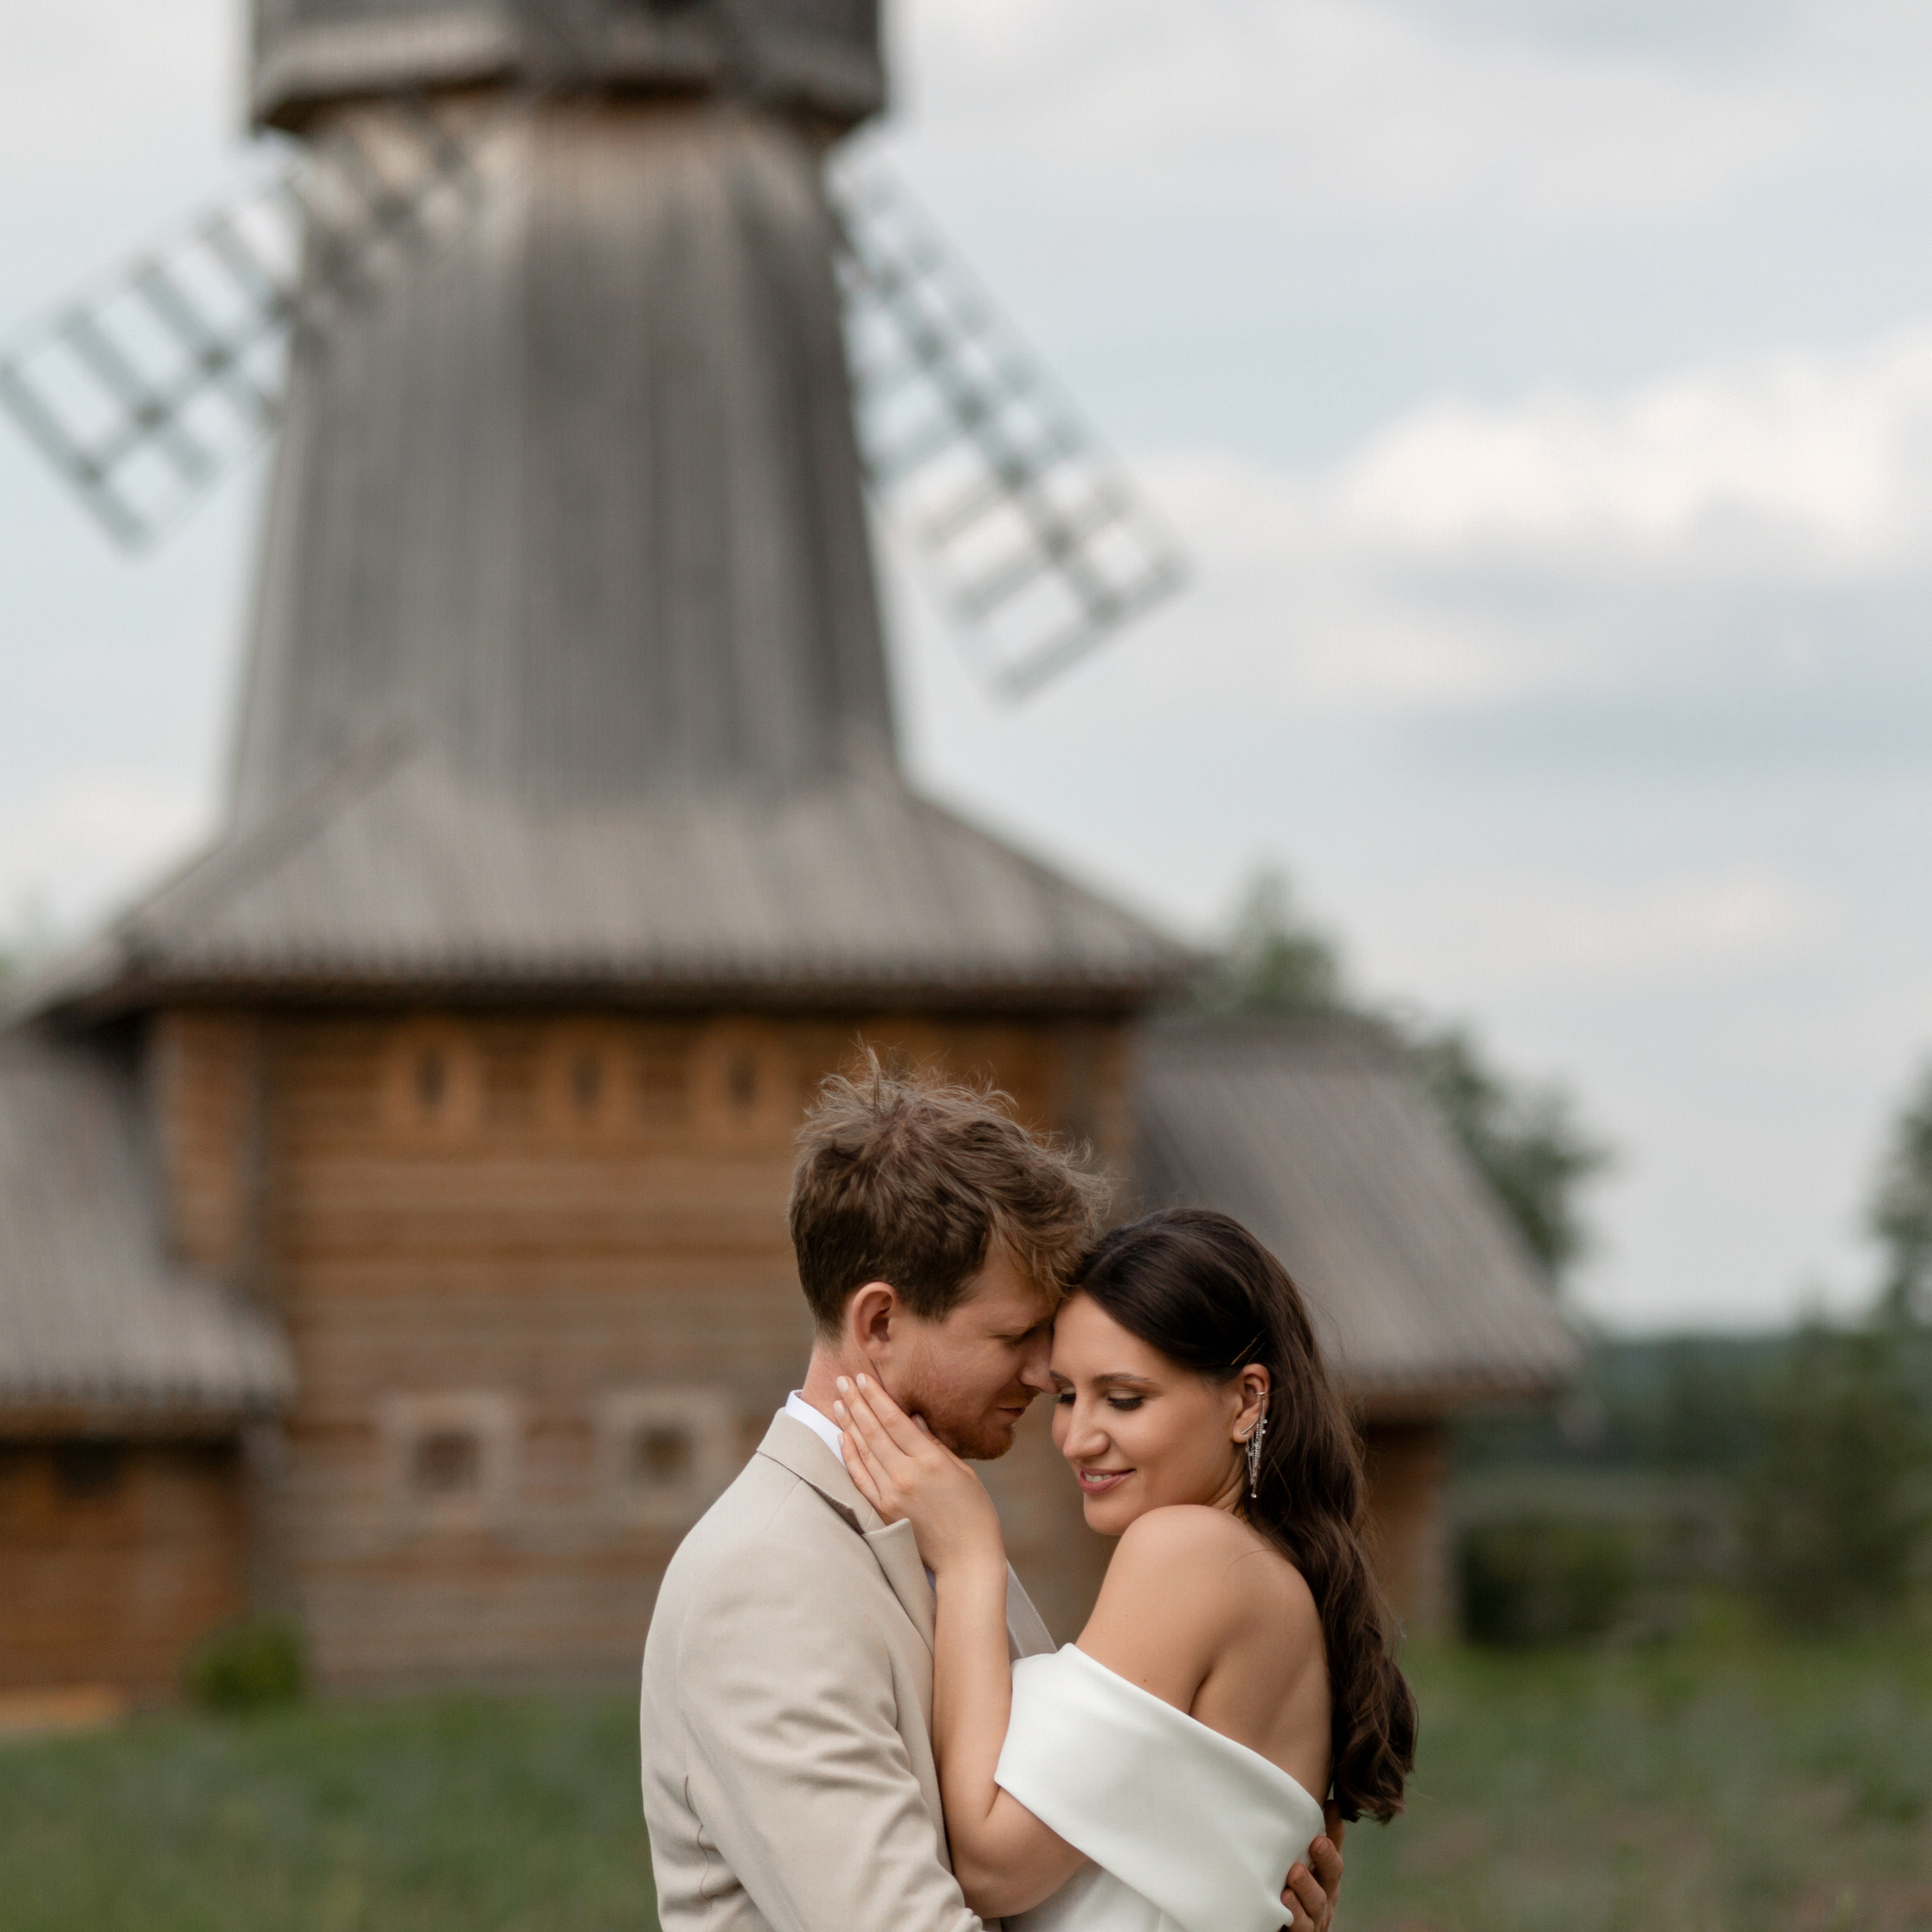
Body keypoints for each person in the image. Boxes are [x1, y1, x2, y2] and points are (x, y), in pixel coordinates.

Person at [640, 1063, 1346, 1932]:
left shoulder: (942, 1525)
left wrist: (1226, 1886)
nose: (1046, 1374)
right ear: (879, 1324)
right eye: (1015, 1334)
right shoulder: (765, 1577)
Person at [834, 1206, 1416, 1932]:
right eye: (1068, 1395)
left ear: (1246, 1400)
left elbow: (990, 1867)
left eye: (1124, 1398)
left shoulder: (1188, 1553)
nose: (1077, 1438)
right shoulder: (1270, 1568)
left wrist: (968, 1557)